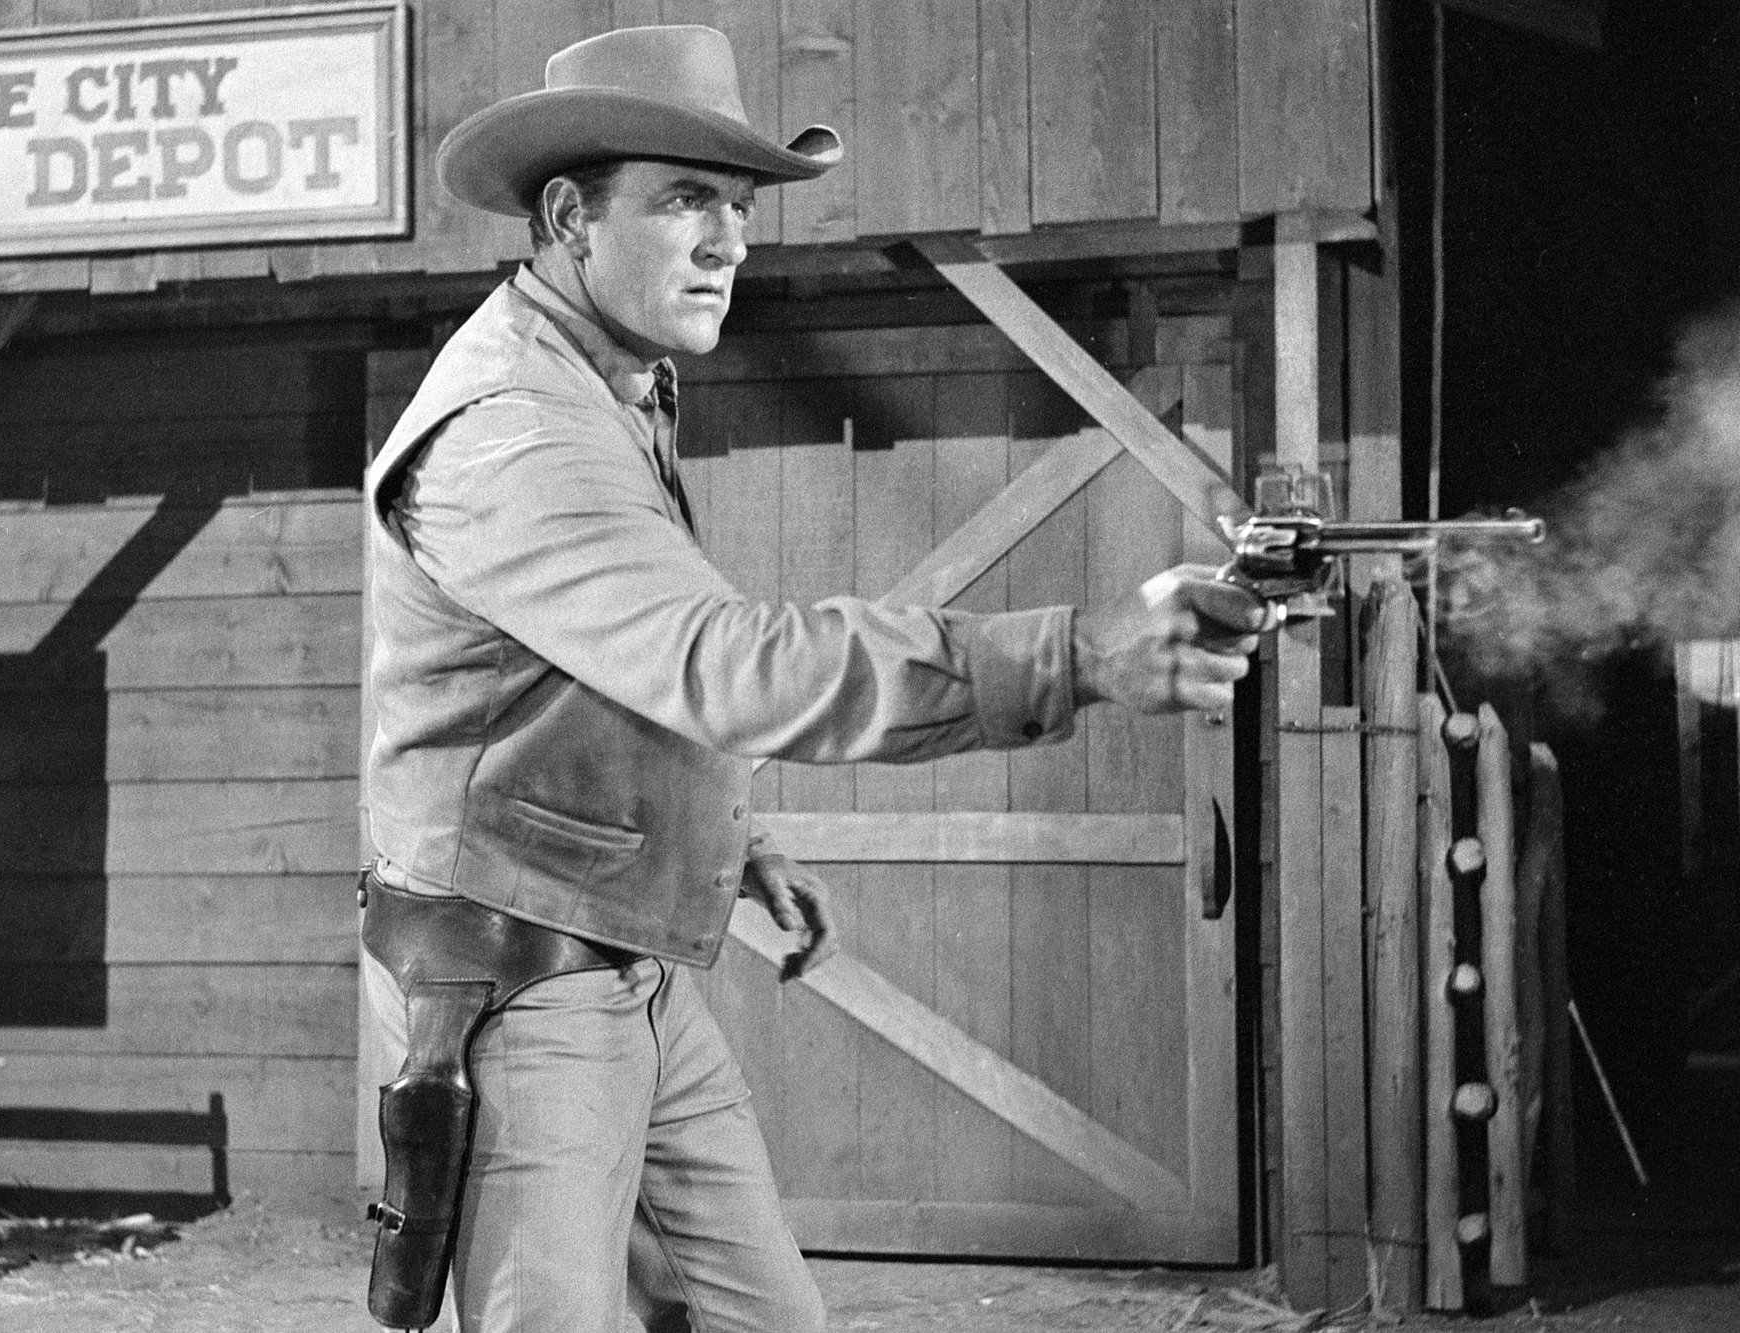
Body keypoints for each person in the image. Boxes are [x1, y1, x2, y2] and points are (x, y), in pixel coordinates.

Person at [358, 24, 1269, 1333]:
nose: (732, 240)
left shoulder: (608, 383)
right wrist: (1077, 653)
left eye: (738, 204)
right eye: (686, 200)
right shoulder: (516, 430)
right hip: (525, 992)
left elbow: (592, 682)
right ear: (567, 215)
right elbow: (719, 663)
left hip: (634, 962)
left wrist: (733, 833)